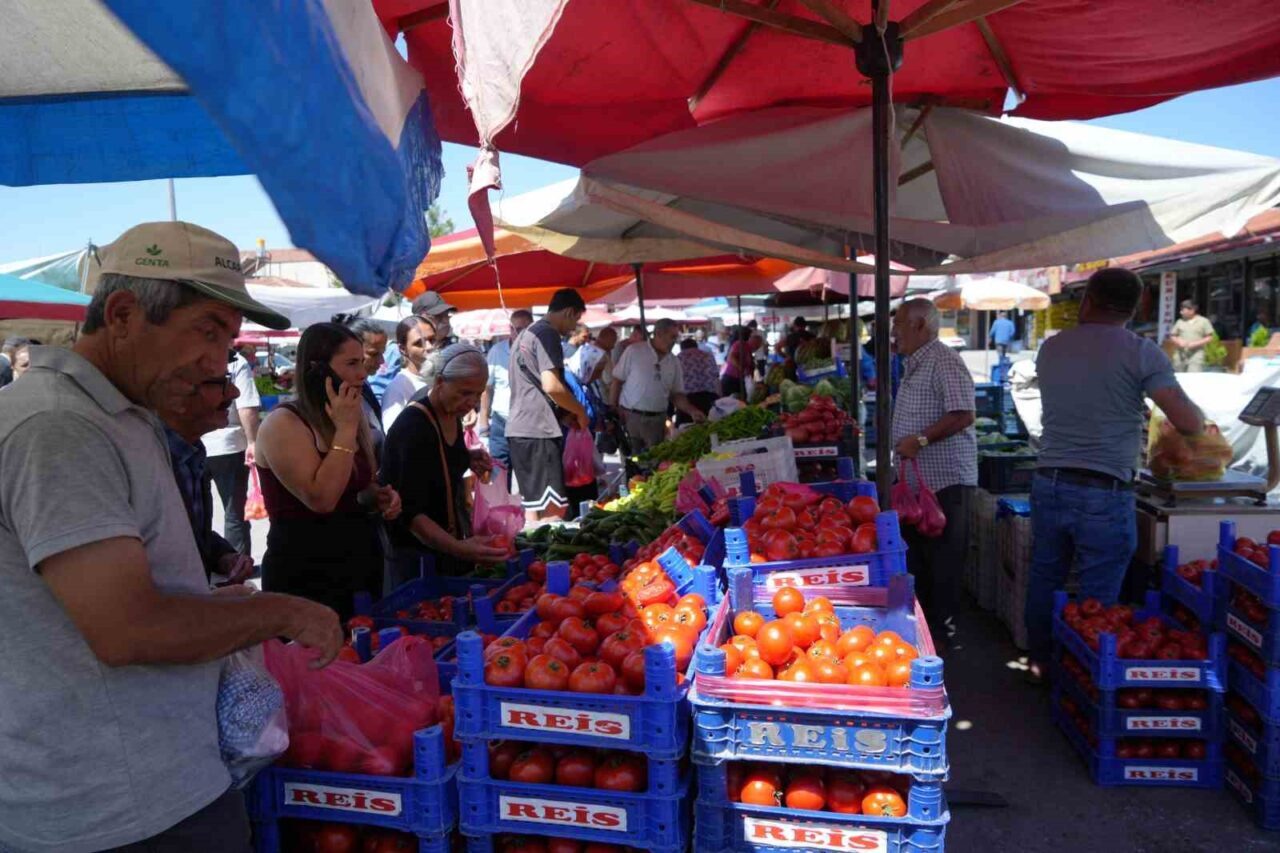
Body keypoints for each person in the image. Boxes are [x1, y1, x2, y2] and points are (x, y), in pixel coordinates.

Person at [0, 220, 342, 853]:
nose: (220, 361)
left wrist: (216, 605)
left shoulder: (116, 414)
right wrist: (279, 610)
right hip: (111, 810)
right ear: (125, 314)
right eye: (208, 332)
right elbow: (129, 629)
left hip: (155, 781)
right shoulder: (57, 427)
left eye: (229, 338)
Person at [1025, 268, 1205, 683]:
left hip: (1049, 480)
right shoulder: (1141, 352)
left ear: (1088, 299)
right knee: (1098, 592)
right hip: (1103, 491)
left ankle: (1039, 661)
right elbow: (1186, 419)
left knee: (1046, 575)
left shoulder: (1052, 348)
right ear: (1136, 306)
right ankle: (1082, 679)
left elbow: (1083, 396)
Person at [255, 322, 402, 620]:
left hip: (357, 565)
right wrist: (346, 431)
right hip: (305, 574)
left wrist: (378, 496)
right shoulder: (283, 423)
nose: (362, 373)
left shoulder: (350, 414)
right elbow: (322, 498)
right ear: (318, 369)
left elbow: (357, 487)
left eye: (361, 362)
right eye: (351, 364)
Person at [383, 344, 510, 586]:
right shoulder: (414, 427)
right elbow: (410, 512)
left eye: (478, 394)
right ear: (440, 381)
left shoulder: (451, 414)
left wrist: (467, 457)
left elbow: (439, 460)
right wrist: (459, 548)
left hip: (447, 545)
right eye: (464, 393)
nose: (471, 402)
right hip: (418, 555)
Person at [890, 298, 977, 649]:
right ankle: (927, 633)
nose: (893, 332)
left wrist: (921, 439)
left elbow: (964, 413)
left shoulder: (943, 361)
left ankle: (945, 636)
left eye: (898, 324)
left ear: (919, 325)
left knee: (943, 561)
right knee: (923, 560)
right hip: (919, 485)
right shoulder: (915, 362)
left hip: (945, 482)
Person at [160, 369, 257, 583]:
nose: (234, 392)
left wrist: (223, 556)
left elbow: (191, 533)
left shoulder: (192, 450)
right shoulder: (148, 456)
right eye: (220, 383)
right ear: (177, 393)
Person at [506, 289, 590, 522]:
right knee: (554, 512)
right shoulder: (547, 334)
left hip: (520, 430)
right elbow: (551, 386)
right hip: (538, 431)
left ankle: (535, 557)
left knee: (533, 509)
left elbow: (530, 387)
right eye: (575, 320)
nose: (573, 328)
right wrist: (579, 410)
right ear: (569, 312)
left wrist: (563, 415)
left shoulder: (525, 334)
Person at [610, 318, 707, 450]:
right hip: (631, 418)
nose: (675, 341)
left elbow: (676, 394)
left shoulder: (674, 361)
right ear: (659, 334)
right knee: (633, 460)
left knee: (654, 462)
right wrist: (613, 408)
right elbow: (617, 380)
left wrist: (692, 411)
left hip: (657, 421)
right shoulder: (634, 351)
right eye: (672, 337)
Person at [201, 347, 260, 555]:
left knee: (197, 511)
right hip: (228, 445)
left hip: (196, 443)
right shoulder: (237, 362)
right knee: (234, 511)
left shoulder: (192, 356)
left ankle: (210, 563)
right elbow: (247, 406)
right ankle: (238, 566)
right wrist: (253, 441)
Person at [368, 291, 456, 400]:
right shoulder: (395, 351)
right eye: (438, 316)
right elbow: (379, 390)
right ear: (421, 317)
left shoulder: (449, 348)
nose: (445, 321)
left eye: (446, 316)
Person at [479, 309, 534, 472]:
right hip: (501, 421)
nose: (521, 333)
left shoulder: (536, 351)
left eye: (526, 329)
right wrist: (483, 421)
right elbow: (487, 388)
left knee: (527, 471)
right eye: (517, 329)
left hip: (528, 421)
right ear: (510, 329)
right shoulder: (497, 351)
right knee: (499, 470)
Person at [381, 315, 439, 433]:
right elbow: (395, 438)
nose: (429, 347)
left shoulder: (443, 379)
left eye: (432, 339)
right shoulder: (397, 389)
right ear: (403, 349)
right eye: (419, 343)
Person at [347, 318, 390, 462]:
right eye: (373, 353)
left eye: (382, 353)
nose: (382, 361)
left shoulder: (364, 385)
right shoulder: (339, 396)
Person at [677, 337, 720, 422]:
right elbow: (716, 377)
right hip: (709, 396)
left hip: (688, 400)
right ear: (696, 346)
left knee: (687, 428)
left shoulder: (678, 358)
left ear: (682, 348)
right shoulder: (708, 355)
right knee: (710, 425)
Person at [1167, 299, 1215, 372]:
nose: (1181, 312)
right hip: (1180, 354)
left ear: (1192, 310)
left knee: (1193, 376)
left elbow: (1210, 337)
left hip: (1196, 354)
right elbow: (1172, 335)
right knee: (1180, 377)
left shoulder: (1203, 321)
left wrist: (1195, 344)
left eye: (1183, 310)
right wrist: (1178, 341)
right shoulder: (1180, 321)